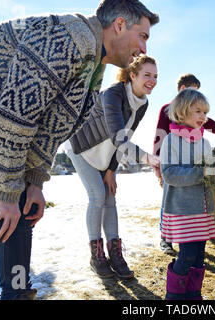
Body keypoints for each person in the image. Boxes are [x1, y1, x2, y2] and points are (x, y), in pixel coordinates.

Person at [0, 0, 159, 300]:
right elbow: (16, 115)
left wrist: (33, 182)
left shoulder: (94, 66)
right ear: (120, 25)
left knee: (24, 215)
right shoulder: (71, 38)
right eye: (143, 36)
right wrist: (7, 192)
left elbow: (49, 129)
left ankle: (16, 292)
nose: (144, 48)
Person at [65, 55, 159, 280]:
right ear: (132, 75)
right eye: (147, 75)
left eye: (155, 76)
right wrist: (149, 158)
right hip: (82, 146)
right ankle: (96, 256)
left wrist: (111, 170)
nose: (152, 80)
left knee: (110, 197)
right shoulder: (113, 94)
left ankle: (115, 255)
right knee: (97, 196)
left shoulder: (143, 103)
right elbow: (119, 136)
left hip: (107, 153)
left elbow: (127, 135)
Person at [153, 74, 215, 254]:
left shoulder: (197, 115)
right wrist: (158, 166)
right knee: (170, 199)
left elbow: (212, 125)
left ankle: (194, 234)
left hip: (194, 160)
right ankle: (165, 237)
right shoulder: (167, 109)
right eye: (194, 90)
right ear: (184, 89)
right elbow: (160, 135)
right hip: (172, 159)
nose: (203, 115)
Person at [159, 88, 215, 300]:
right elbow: (169, 174)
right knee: (186, 254)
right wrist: (200, 172)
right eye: (198, 111)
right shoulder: (171, 141)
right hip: (183, 209)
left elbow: (211, 172)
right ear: (183, 112)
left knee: (199, 256)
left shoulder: (205, 142)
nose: (204, 117)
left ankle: (194, 294)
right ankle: (174, 297)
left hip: (201, 209)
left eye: (206, 112)